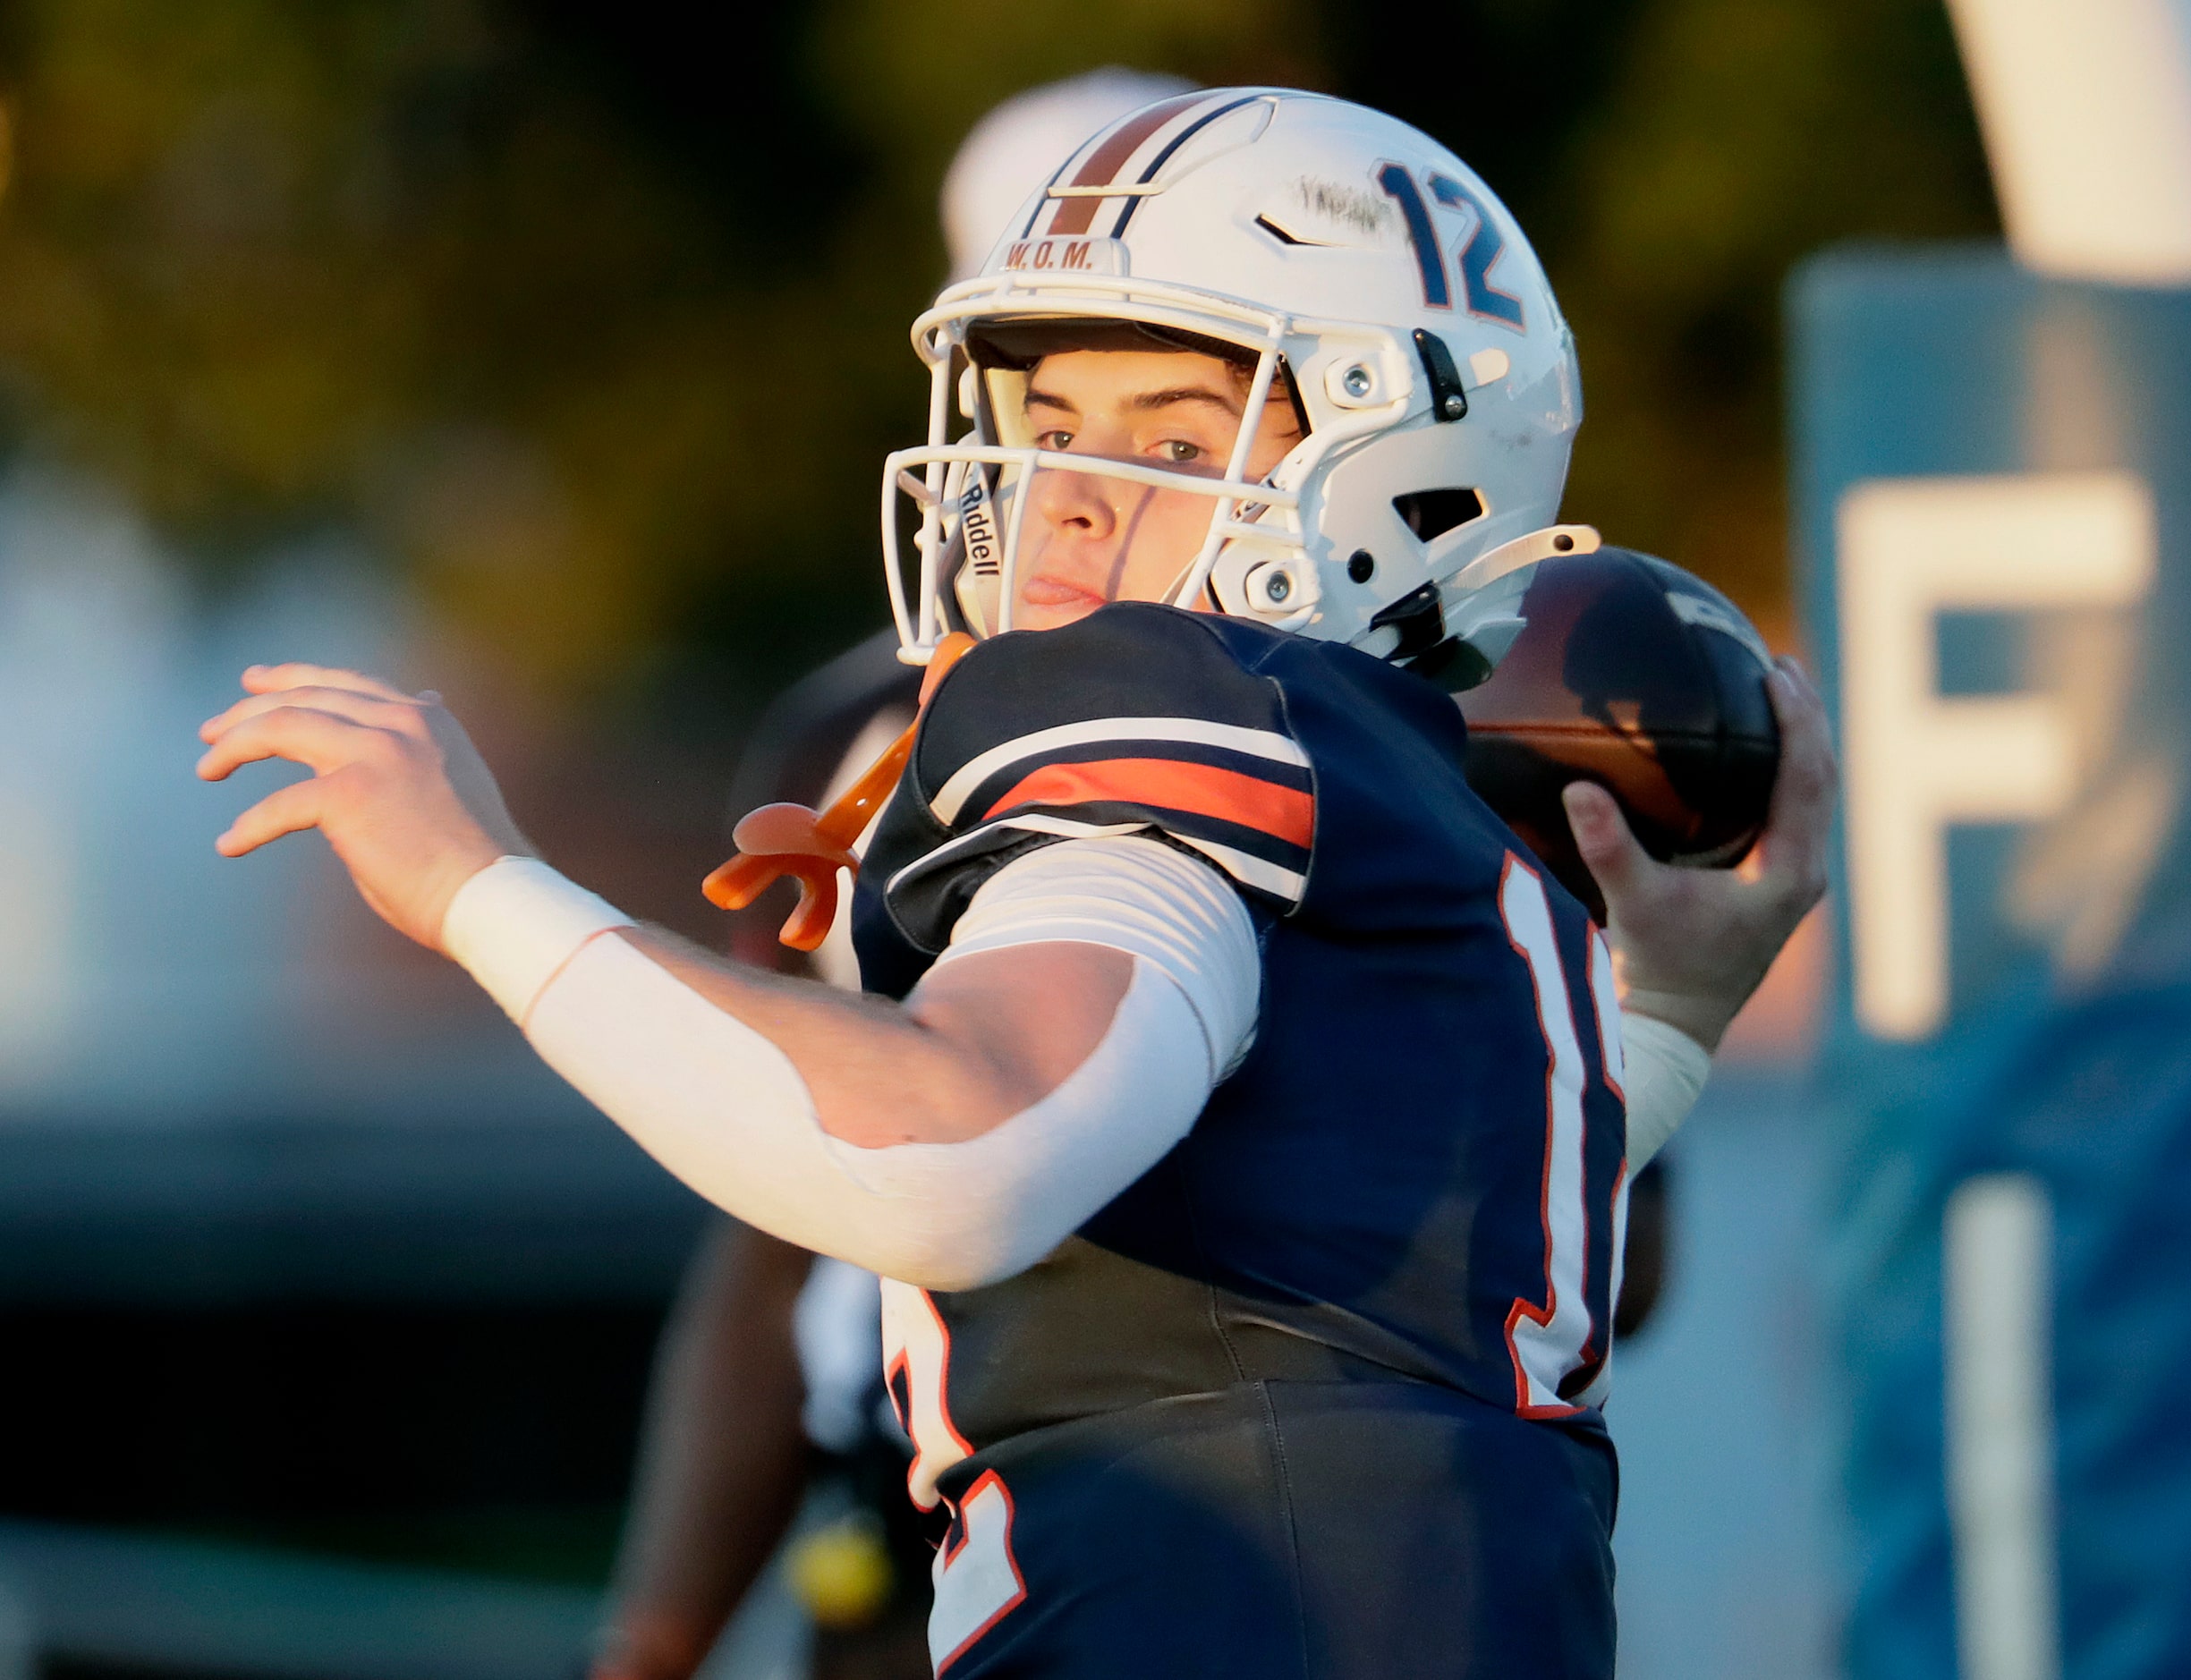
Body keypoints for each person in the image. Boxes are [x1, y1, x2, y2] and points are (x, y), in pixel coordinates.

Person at [196, 88, 1832, 1678]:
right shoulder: (1405, 783)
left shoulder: (1188, 716)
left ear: (1402, 475)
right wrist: (1672, 1022)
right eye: (1048, 425)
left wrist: (481, 889)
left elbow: (955, 1154)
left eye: (1177, 432)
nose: (1069, 487)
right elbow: (1401, 1250)